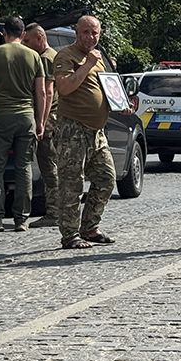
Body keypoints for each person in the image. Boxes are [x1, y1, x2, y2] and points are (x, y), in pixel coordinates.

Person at [51, 15, 126, 250]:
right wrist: (87, 66)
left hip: (96, 131)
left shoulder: (98, 58)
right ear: (77, 32)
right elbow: (64, 88)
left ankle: (90, 227)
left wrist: (119, 103)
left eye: (95, 33)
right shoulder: (66, 56)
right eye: (86, 32)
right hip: (73, 128)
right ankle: (70, 235)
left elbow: (103, 89)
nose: (90, 37)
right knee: (71, 183)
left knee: (106, 178)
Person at [0, 17, 46, 233]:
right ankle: (21, 219)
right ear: (23, 34)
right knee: (24, 167)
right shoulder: (34, 56)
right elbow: (41, 92)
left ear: (4, 33)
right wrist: (40, 121)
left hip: (1, 117)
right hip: (26, 118)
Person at [22, 23, 59, 227]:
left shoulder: (44, 59)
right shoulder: (54, 54)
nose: (24, 45)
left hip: (49, 118)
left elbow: (47, 91)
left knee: (48, 165)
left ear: (39, 38)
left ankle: (54, 212)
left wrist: (41, 123)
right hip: (55, 116)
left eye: (27, 41)